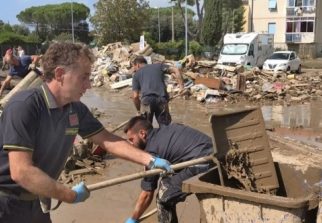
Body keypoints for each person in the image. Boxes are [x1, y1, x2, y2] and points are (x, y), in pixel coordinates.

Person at [0, 42, 173, 223]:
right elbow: (21, 171)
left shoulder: (75, 110)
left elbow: (107, 140)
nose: (89, 85)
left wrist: (150, 160)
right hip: (6, 203)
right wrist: (68, 195)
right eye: (84, 77)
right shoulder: (25, 106)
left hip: (38, 200)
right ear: (60, 74)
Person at [124, 116, 214, 223]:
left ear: (142, 134)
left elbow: (147, 194)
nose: (130, 144)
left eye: (131, 140)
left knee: (162, 198)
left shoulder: (151, 153)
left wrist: (133, 219)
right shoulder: (169, 128)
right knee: (166, 181)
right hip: (215, 153)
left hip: (201, 163)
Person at [131, 56, 184, 126]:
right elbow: (176, 70)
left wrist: (138, 111)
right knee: (165, 127)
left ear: (137, 65)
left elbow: (135, 96)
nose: (134, 70)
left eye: (134, 68)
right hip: (162, 100)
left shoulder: (136, 75)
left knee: (146, 127)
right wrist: (181, 87)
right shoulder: (158, 66)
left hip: (146, 102)